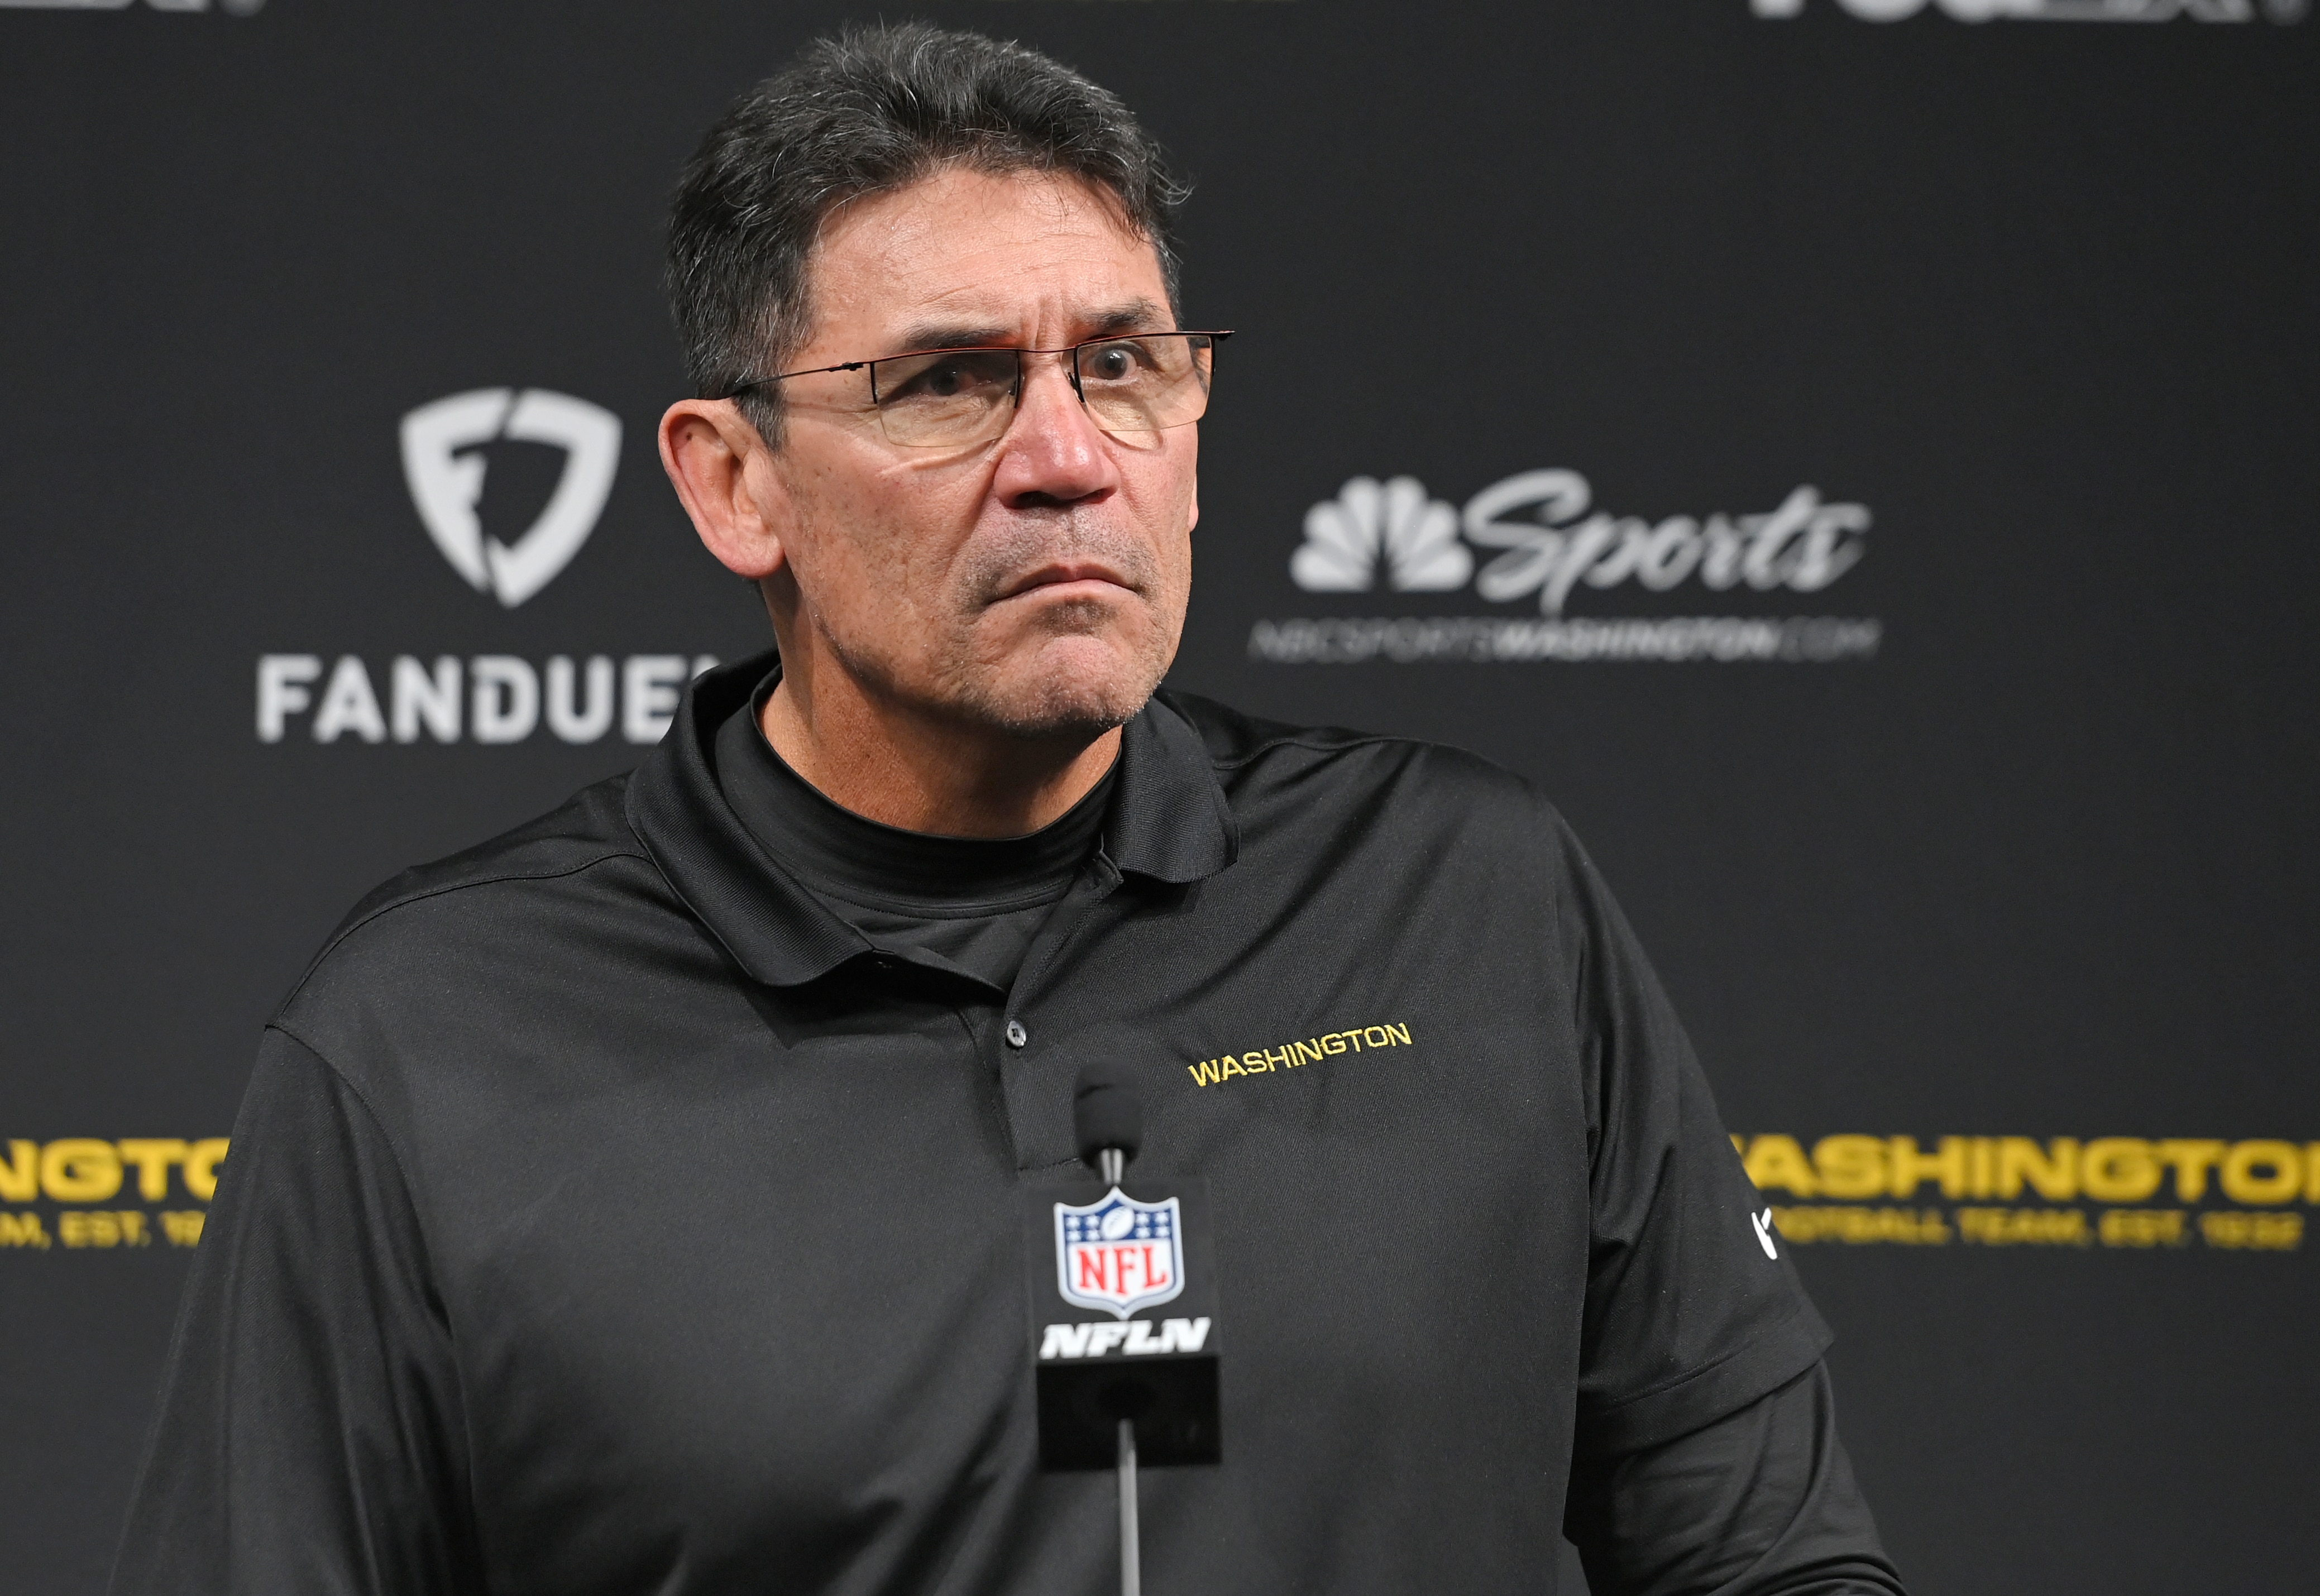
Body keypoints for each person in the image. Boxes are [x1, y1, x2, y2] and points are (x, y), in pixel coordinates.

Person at [112, 24, 1905, 1596]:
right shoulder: (428, 1034)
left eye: (1121, 364)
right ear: (734, 481)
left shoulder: (1476, 893)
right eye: (951, 382)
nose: (1065, 457)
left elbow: (1766, 1552)